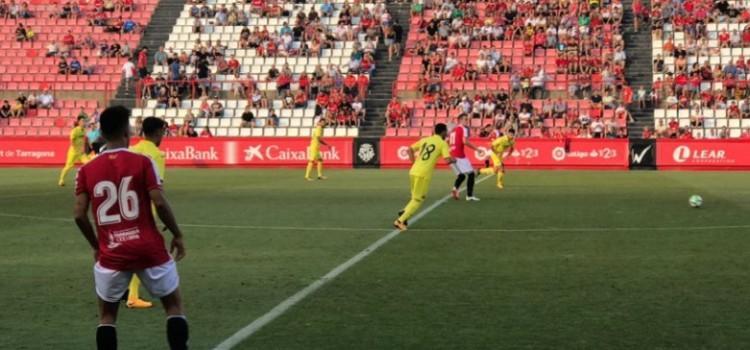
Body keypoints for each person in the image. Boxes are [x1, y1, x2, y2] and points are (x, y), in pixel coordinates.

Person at [72, 106, 188, 350]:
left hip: (112, 252)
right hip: (148, 248)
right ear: (128, 130)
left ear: (101, 132)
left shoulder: (86, 170)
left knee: (107, 316)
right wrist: (177, 234)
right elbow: (159, 201)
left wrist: (96, 246)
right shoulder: (143, 161)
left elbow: (79, 215)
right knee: (174, 306)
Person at [127, 117, 168, 309]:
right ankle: (132, 296)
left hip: (126, 208)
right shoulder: (156, 155)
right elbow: (156, 190)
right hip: (144, 211)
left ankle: (123, 292)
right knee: (141, 254)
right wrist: (163, 216)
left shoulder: (132, 151)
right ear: (159, 132)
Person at [394, 123, 455, 231]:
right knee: (418, 200)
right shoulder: (442, 143)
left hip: (413, 171)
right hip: (423, 174)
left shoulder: (425, 139)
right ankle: (400, 221)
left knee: (414, 197)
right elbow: (447, 160)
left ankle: (404, 211)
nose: (447, 133)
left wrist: (414, 163)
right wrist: (454, 159)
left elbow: (409, 150)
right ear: (443, 132)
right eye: (446, 131)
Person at [449, 114, 480, 201]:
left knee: (461, 175)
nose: (467, 121)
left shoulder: (453, 130)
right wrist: (477, 149)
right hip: (459, 155)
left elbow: (448, 141)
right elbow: (465, 141)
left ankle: (455, 189)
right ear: (460, 120)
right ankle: (469, 196)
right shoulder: (463, 128)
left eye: (467, 119)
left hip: (451, 154)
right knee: (471, 174)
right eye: (465, 119)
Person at [58, 116, 90, 186]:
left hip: (81, 153)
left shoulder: (84, 130)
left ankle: (88, 180)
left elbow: (84, 140)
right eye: (82, 121)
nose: (83, 122)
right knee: (68, 166)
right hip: (73, 152)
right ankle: (61, 180)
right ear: (79, 122)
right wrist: (75, 148)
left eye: (84, 121)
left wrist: (84, 148)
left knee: (89, 163)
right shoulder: (75, 130)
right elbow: (71, 140)